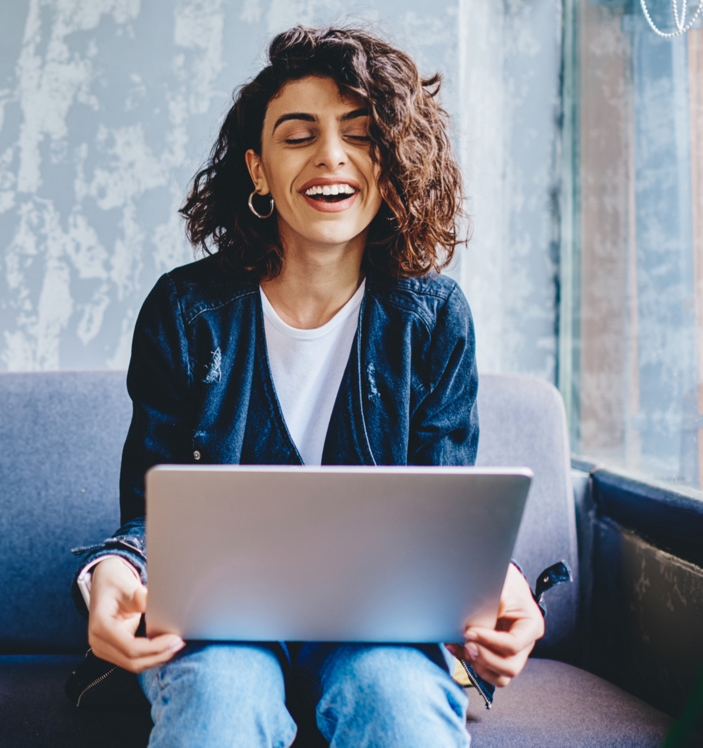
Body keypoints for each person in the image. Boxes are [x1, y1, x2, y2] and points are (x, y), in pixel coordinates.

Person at [71, 26, 546, 748]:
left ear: (390, 165)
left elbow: (446, 505)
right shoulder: (183, 310)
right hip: (218, 629)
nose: (331, 156)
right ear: (258, 170)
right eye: (299, 136)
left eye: (360, 135)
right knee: (220, 700)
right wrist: (112, 570)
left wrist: (495, 583)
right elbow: (152, 511)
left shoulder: (435, 316)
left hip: (380, 629)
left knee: (400, 703)